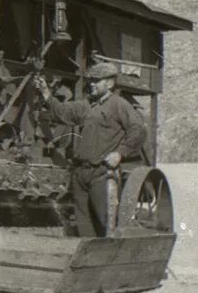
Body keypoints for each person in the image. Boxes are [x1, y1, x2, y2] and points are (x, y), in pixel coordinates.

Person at [35, 61, 146, 238]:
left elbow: (138, 130)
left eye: (96, 81)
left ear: (109, 83)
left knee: (105, 222)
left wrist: (120, 153)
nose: (91, 84)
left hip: (102, 173)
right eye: (90, 81)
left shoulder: (119, 104)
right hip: (80, 173)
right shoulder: (86, 105)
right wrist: (46, 93)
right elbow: (63, 112)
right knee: (84, 225)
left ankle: (109, 261)